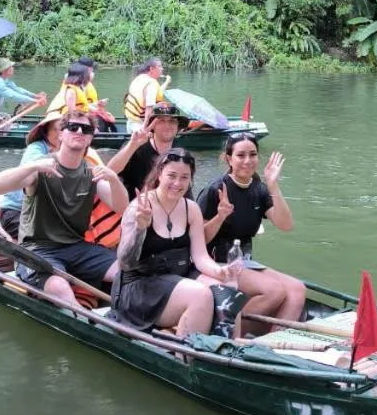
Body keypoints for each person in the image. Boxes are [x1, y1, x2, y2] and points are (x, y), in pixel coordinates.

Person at [0, 109, 128, 307]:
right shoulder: (42, 168)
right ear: (61, 134)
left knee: (127, 271)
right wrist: (31, 168)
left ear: (90, 138)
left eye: (86, 129)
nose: (79, 131)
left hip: (76, 247)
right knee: (59, 286)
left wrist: (114, 179)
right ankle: (84, 323)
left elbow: (121, 207)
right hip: (37, 250)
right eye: (73, 127)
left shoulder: (90, 173)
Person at [112, 149, 228, 336]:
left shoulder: (191, 209)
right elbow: (125, 263)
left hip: (177, 278)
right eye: (171, 176)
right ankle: (185, 356)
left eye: (184, 177)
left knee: (228, 287)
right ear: (159, 174)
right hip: (140, 287)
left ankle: (224, 347)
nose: (177, 183)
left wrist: (221, 271)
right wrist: (140, 228)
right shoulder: (139, 208)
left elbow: (200, 257)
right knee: (200, 294)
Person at [196, 135, 305, 333]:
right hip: (215, 262)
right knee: (273, 291)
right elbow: (198, 239)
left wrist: (273, 185)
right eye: (240, 155)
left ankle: (273, 346)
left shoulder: (259, 189)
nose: (248, 161)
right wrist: (220, 217)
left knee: (297, 289)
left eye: (252, 154)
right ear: (228, 158)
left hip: (245, 261)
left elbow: (285, 224)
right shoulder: (215, 190)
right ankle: (224, 328)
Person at [108, 103, 188, 199]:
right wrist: (133, 145)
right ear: (152, 125)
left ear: (178, 126)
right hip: (134, 208)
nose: (167, 125)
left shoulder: (180, 153)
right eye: (161, 121)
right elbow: (109, 171)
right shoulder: (137, 147)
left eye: (172, 121)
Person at [124, 56, 169, 127]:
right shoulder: (151, 83)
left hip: (130, 122)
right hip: (140, 125)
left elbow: (157, 93)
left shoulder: (139, 78)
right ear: (151, 69)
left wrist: (167, 82)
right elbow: (149, 108)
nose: (162, 68)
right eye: (159, 66)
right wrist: (144, 127)